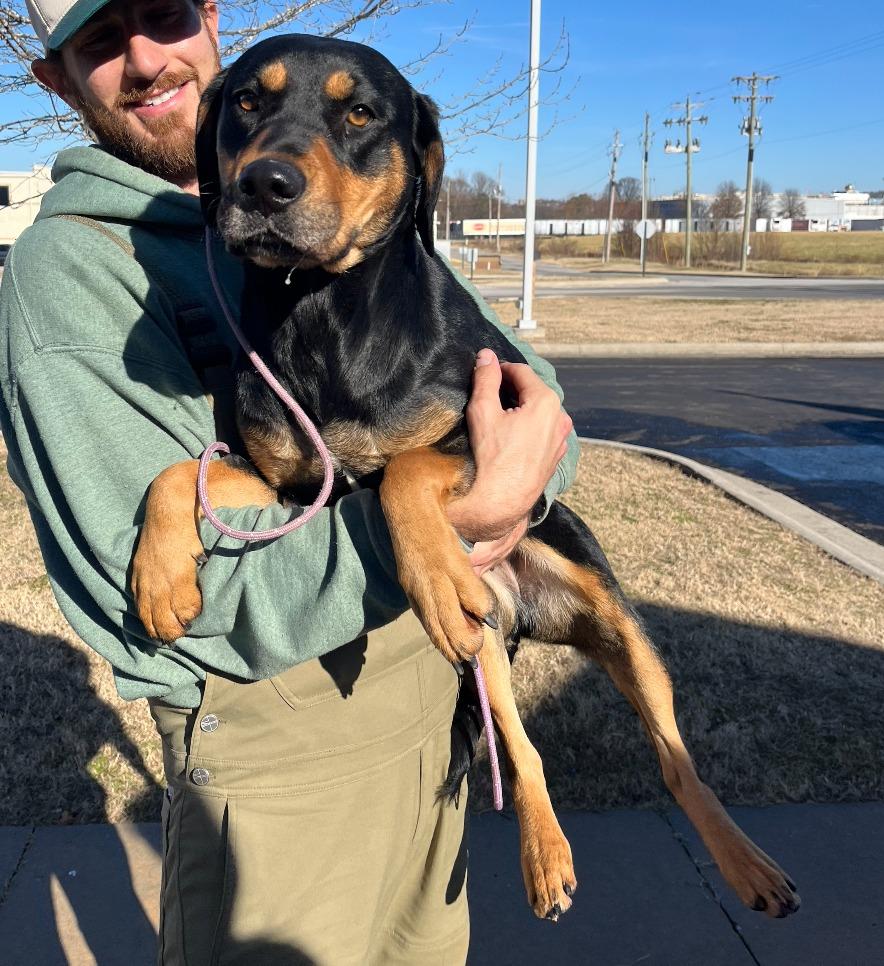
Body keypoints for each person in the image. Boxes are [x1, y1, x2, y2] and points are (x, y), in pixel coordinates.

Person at [1, 1, 578, 963]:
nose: (147, 57)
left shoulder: (362, 228)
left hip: (424, 714)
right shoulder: (72, 274)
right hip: (274, 762)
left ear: (211, 19)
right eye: (102, 41)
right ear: (57, 78)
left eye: (164, 13)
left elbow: (528, 396)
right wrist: (447, 516)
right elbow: (192, 606)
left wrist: (514, 473)